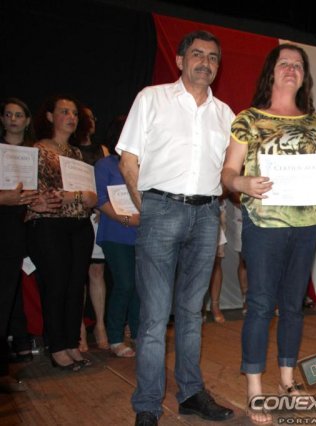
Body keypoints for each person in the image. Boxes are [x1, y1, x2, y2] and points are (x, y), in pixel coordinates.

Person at [117, 30, 235, 425]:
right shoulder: (151, 98)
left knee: (191, 312)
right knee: (154, 317)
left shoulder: (226, 114)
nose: (205, 62)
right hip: (161, 208)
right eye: (197, 54)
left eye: (213, 57)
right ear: (181, 60)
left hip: (207, 215)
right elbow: (128, 161)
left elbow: (230, 172)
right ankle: (148, 405)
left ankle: (191, 394)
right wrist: (149, 209)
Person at [221, 43, 316, 424]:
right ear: (271, 72)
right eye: (284, 63)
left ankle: (288, 382)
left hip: (307, 225)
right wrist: (243, 182)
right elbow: (227, 173)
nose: (291, 69)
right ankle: (255, 388)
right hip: (264, 225)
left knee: (293, 305)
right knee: (260, 304)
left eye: (298, 65)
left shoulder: (314, 121)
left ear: (304, 76)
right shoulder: (248, 118)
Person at [26, 95, 98, 371]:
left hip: (79, 225)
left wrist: (85, 197)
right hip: (48, 225)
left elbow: (89, 195)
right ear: (49, 116)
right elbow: (32, 192)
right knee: (55, 286)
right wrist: (76, 195)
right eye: (64, 112)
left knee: (75, 287)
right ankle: (56, 346)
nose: (71, 117)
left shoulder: (77, 154)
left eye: (75, 113)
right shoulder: (37, 151)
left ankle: (71, 343)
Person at [0, 98, 40, 392]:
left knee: (7, 299)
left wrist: (38, 202)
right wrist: (5, 198)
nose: (13, 119)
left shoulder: (34, 153)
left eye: (18, 115)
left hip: (18, 230)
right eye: (8, 114)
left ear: (27, 121)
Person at [94, 115, 139, 358]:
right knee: (124, 283)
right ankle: (115, 338)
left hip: (141, 233)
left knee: (140, 285)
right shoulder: (105, 165)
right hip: (115, 232)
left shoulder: (144, 165)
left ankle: (139, 333)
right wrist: (125, 219)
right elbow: (100, 200)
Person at [76, 106, 109, 352]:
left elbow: (109, 184)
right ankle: (78, 329)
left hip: (99, 216)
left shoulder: (102, 150)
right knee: (77, 275)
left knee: (97, 271)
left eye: (92, 117)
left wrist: (103, 206)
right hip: (76, 215)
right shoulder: (68, 149)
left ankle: (100, 325)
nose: (91, 122)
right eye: (86, 117)